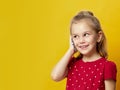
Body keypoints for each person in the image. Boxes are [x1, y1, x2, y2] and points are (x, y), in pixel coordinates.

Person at [51, 10, 117, 90]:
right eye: (75, 36)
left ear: (99, 37)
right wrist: (71, 50)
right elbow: (55, 76)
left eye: (86, 34)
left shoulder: (107, 66)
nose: (81, 41)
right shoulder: (72, 63)